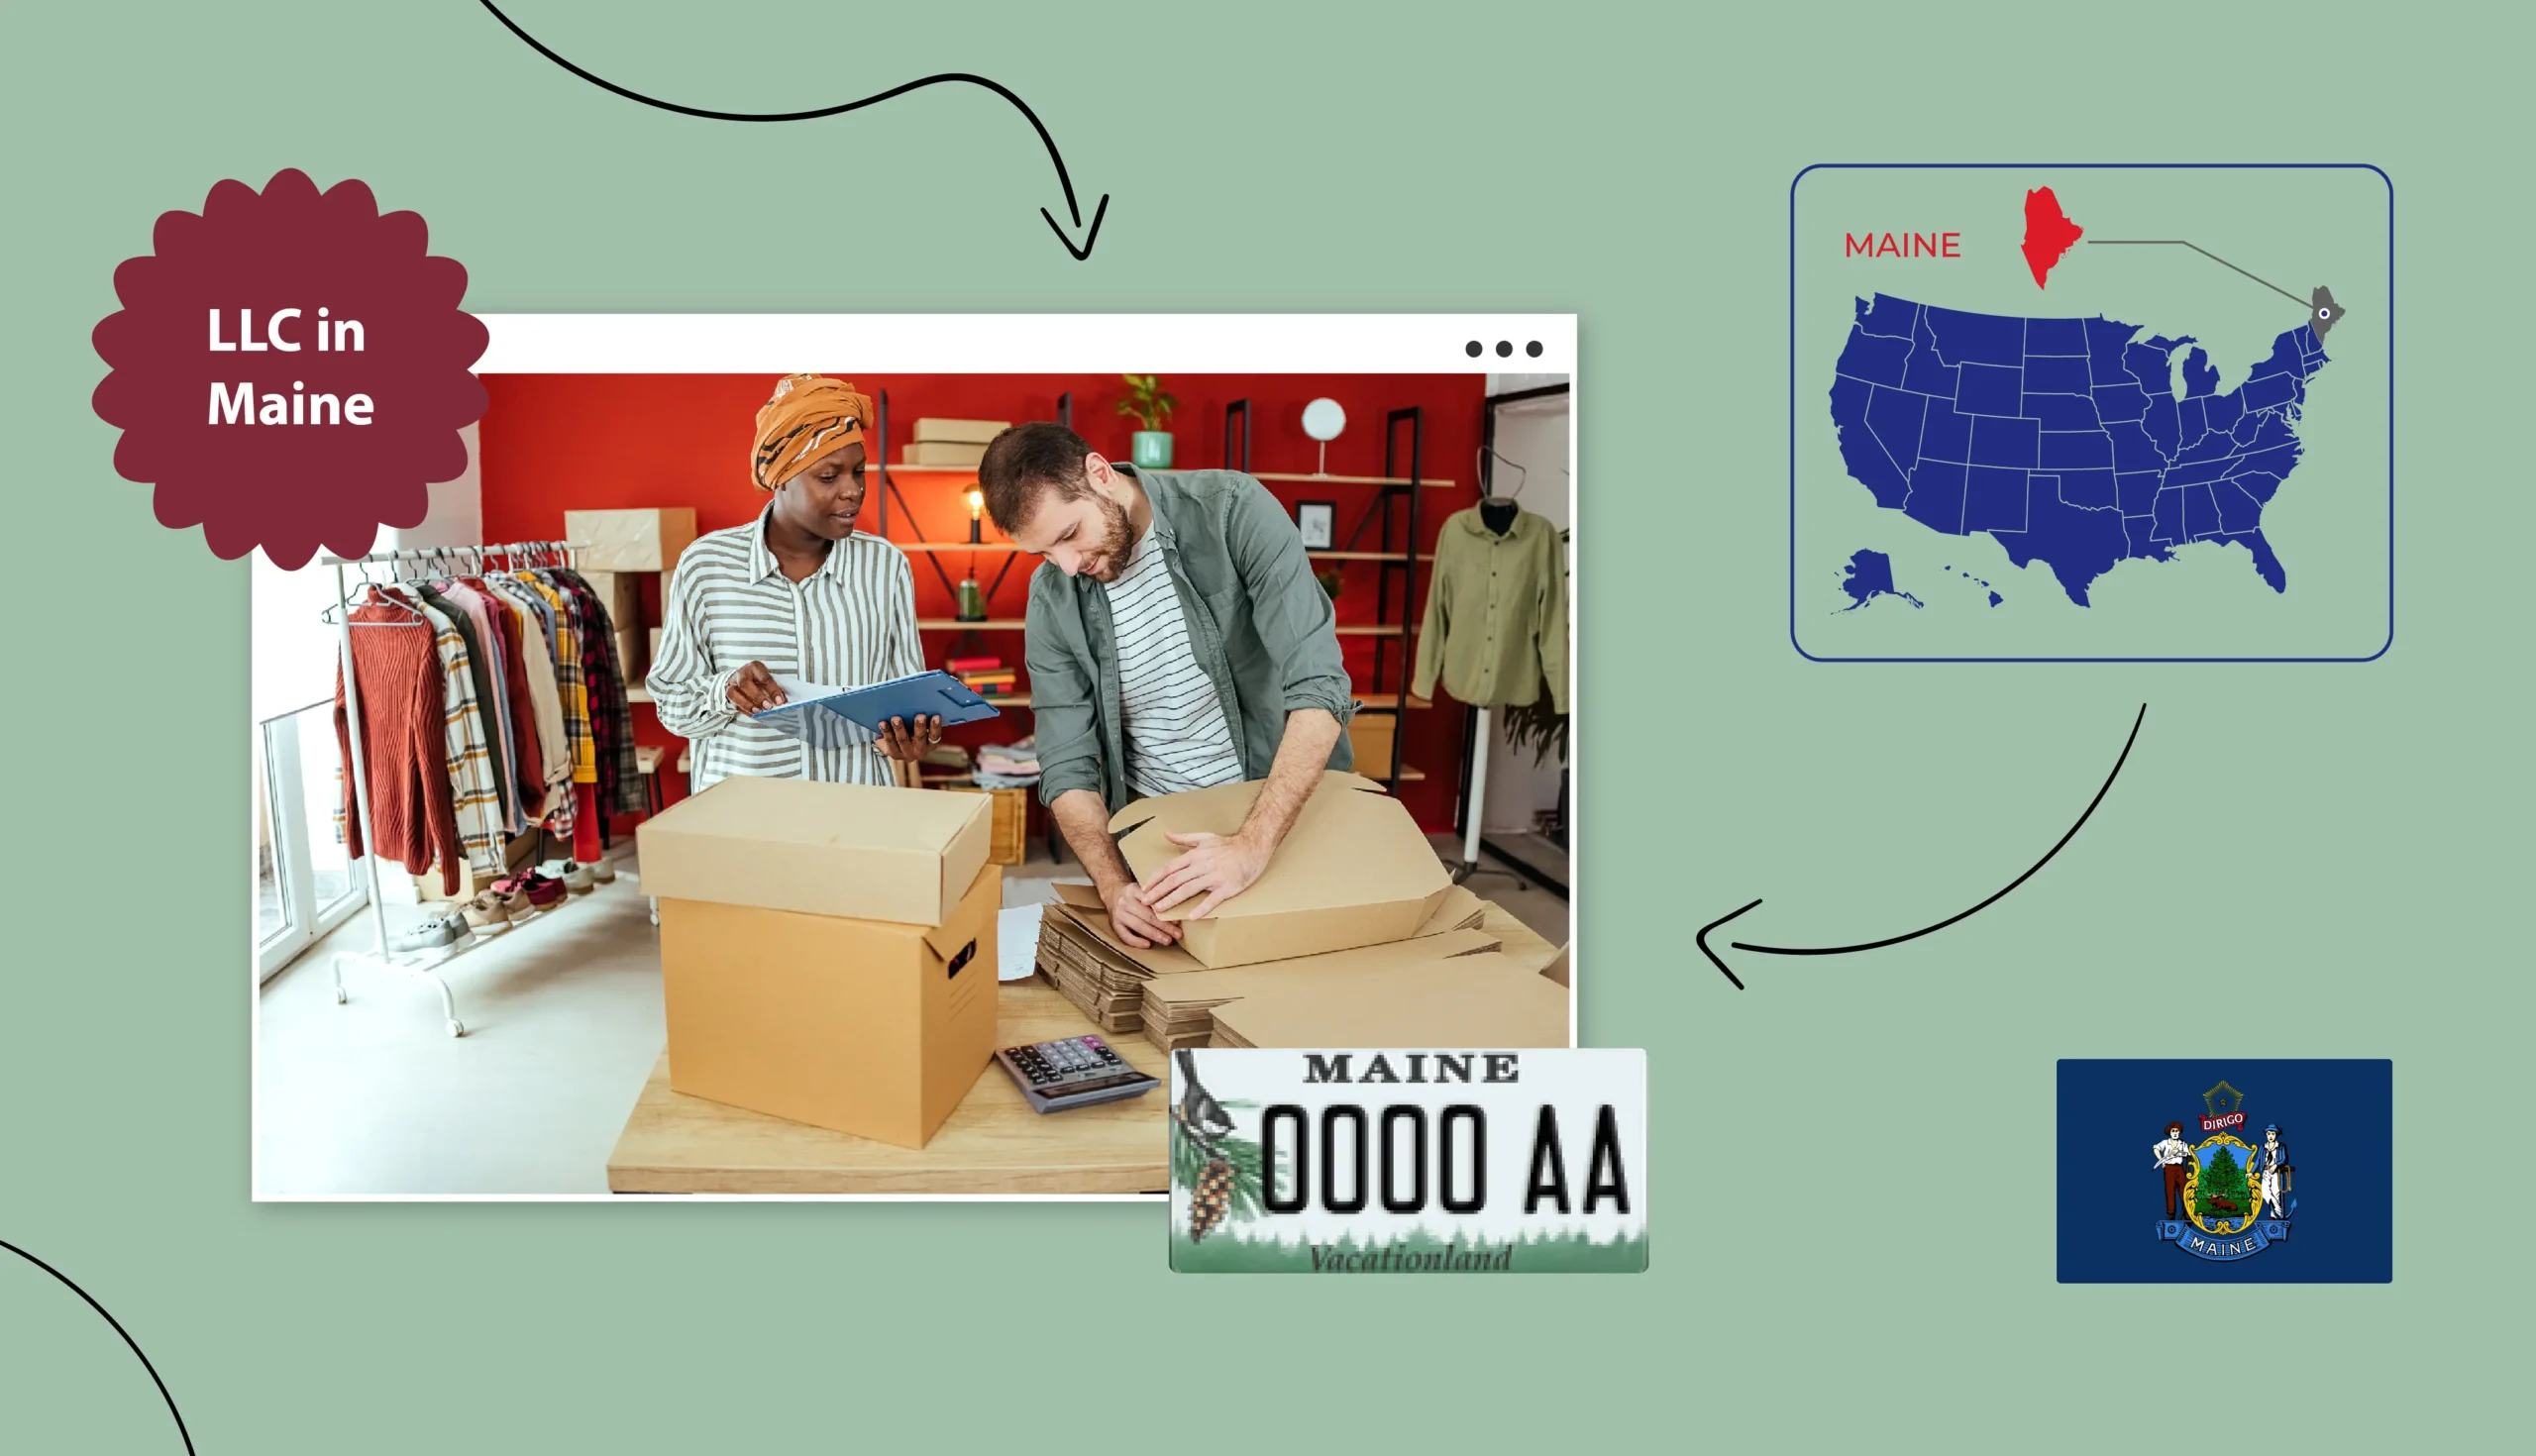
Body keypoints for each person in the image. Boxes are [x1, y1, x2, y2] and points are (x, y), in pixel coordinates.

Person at [978, 422, 1354, 948]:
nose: (1068, 567)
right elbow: (1067, 767)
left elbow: (1319, 688)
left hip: (1278, 810)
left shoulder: (1232, 510)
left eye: (1068, 535)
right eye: (1044, 554)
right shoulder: (1052, 597)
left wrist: (1251, 845)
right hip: (1161, 831)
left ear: (1100, 474)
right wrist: (1112, 887)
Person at [648, 373, 940, 787]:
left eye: (859, 472)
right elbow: (672, 705)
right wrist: (726, 690)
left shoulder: (885, 566)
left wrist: (906, 735)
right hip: (742, 821)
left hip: (855, 815)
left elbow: (906, 702)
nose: (853, 490)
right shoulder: (706, 564)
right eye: (828, 476)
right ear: (780, 478)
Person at [2153, 1121, 2193, 1220]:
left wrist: (2178, 1152)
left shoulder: (2183, 1143)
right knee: (2170, 1191)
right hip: (2169, 1168)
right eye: (2173, 1131)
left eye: (2177, 1131)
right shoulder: (2165, 1143)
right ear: (2170, 1132)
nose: (2175, 1133)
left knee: (2183, 1190)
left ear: (2179, 1132)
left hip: (2179, 1168)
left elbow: (2188, 1154)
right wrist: (2160, 1160)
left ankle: (2186, 1211)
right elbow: (2155, 1148)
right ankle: (2171, 1214)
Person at [2252, 1124, 2291, 1220]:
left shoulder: (2281, 1146)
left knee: (2276, 1193)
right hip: (2265, 1172)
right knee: (2265, 1193)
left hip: (2277, 1173)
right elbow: (2258, 1161)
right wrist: (2252, 1172)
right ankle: (2279, 1212)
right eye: (2268, 1134)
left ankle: (2274, 1216)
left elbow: (2284, 1159)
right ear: (2266, 1134)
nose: (2270, 1136)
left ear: (2276, 1135)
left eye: (2272, 1134)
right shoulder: (2263, 1147)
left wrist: (2275, 1165)